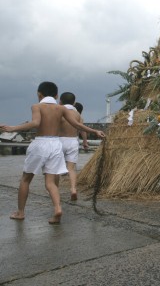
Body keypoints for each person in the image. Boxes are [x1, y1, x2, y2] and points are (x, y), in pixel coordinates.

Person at [0, 81, 105, 224]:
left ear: (39, 94)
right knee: (50, 182)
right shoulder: (60, 109)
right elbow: (77, 124)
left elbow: (36, 123)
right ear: (56, 95)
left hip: (40, 143)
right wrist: (95, 131)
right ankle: (57, 209)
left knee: (26, 179)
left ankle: (20, 212)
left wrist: (12, 128)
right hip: (56, 145)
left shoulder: (36, 106)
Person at [58, 93, 86, 201]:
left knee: (56, 168)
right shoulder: (77, 114)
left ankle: (55, 188)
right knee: (71, 169)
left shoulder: (59, 111)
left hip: (60, 140)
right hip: (73, 141)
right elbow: (82, 128)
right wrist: (84, 141)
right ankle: (73, 189)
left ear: (60, 101)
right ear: (74, 103)